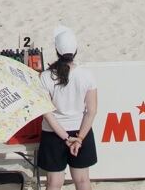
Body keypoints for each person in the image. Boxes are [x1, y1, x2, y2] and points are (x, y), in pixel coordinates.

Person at [37, 25, 98, 187]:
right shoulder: (86, 75)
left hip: (53, 133)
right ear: (76, 50)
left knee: (54, 182)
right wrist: (78, 139)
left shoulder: (45, 77)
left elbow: (47, 113)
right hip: (81, 131)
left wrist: (66, 138)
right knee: (83, 180)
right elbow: (91, 111)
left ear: (56, 51)